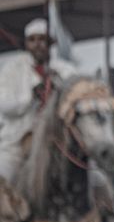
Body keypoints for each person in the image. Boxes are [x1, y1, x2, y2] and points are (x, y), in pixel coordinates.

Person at [0, 17, 76, 185]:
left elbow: (76, 99)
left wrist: (59, 87)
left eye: (42, 39)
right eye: (32, 40)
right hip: (18, 143)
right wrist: (30, 96)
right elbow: (4, 104)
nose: (38, 44)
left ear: (51, 43)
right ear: (26, 43)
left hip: (59, 141)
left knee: (95, 178)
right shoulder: (12, 69)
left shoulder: (65, 70)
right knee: (3, 178)